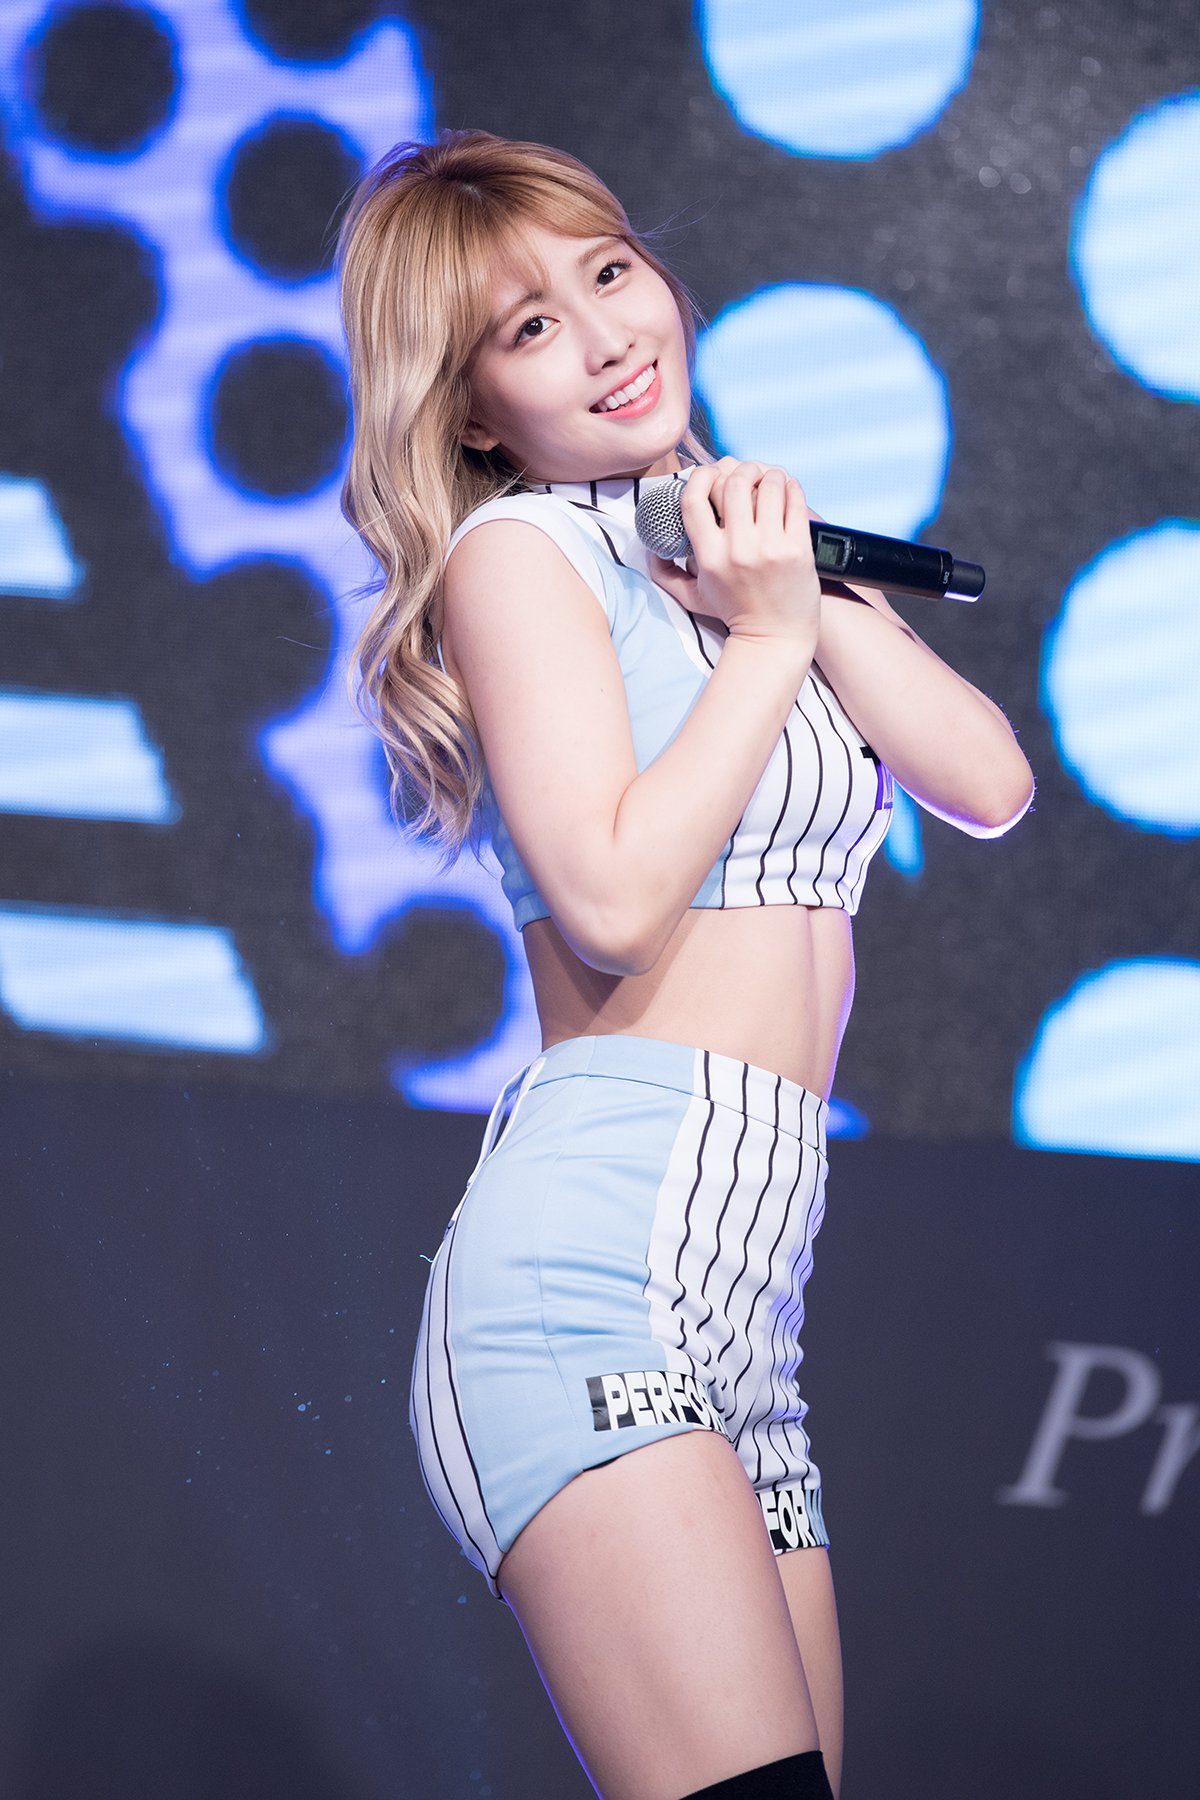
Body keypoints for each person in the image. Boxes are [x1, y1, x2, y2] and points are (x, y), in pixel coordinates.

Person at [336, 130, 1034, 1800]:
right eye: (530, 329)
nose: (605, 336)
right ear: (473, 410)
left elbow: (990, 782)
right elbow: (615, 898)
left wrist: (784, 586)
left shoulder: (736, 560)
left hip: (744, 1314)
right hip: (590, 1279)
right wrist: (770, 638)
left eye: (610, 273)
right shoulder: (521, 556)